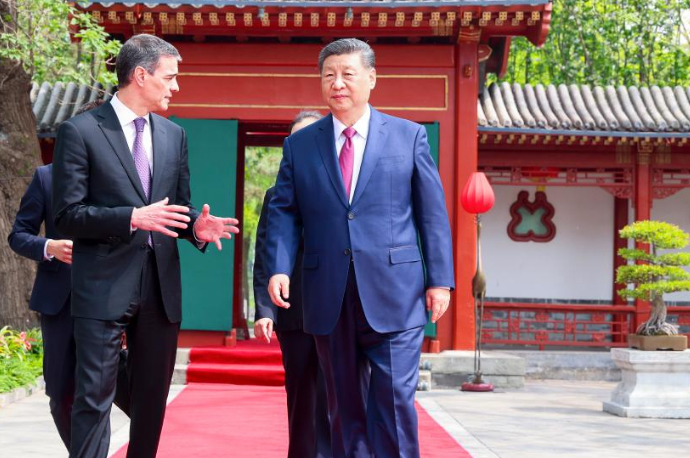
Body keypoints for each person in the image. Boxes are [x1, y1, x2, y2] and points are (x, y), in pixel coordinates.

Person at [52, 34, 239, 458]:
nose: (176, 86)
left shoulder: (174, 135)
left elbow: (177, 207)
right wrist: (130, 218)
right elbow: (66, 215)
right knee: (93, 399)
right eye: (169, 77)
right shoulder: (80, 131)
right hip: (102, 286)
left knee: (151, 402)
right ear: (140, 75)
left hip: (160, 287)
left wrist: (196, 228)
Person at [266, 39, 455, 457]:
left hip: (396, 292)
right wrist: (279, 267)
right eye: (329, 75)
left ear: (371, 78)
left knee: (394, 403)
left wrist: (440, 280)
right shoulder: (301, 145)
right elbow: (284, 211)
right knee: (343, 409)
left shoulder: (408, 136)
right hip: (328, 294)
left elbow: (432, 213)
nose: (337, 83)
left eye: (347, 74)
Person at [7, 99, 131, 451]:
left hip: (112, 300)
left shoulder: (126, 181)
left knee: (107, 390)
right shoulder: (46, 178)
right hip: (60, 302)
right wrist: (49, 246)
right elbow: (18, 235)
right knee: (60, 392)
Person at [253, 110, 331, 458]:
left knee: (336, 393)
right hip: (292, 309)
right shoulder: (275, 195)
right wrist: (264, 309)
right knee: (300, 395)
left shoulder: (342, 187)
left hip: (335, 309)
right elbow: (264, 255)